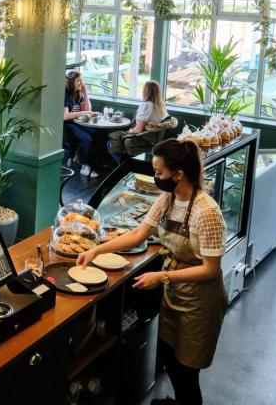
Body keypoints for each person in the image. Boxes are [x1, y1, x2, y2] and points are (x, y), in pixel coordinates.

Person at [77, 139, 226, 405]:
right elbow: (137, 234)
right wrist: (95, 250)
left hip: (200, 304)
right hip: (174, 296)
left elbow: (210, 269)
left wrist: (163, 277)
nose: (155, 177)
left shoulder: (206, 212)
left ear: (178, 175)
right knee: (170, 358)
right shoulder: (168, 198)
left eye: (159, 172)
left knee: (187, 373)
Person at [108, 80, 171, 161]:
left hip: (141, 141)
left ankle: (124, 167)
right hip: (154, 142)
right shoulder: (161, 107)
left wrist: (130, 131)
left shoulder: (146, 106)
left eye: (143, 90)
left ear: (146, 92)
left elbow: (139, 130)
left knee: (110, 142)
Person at [63, 70, 97, 177]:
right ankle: (85, 166)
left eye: (82, 80)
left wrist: (85, 93)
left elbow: (87, 109)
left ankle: (88, 162)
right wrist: (86, 112)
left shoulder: (79, 94)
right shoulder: (65, 94)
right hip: (68, 125)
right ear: (71, 81)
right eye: (78, 80)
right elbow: (65, 116)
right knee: (87, 138)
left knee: (97, 135)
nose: (81, 82)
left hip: (79, 124)